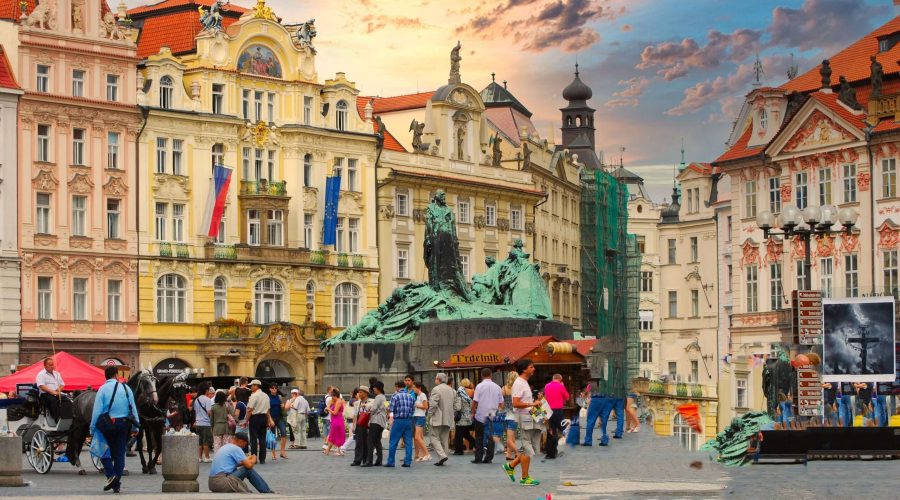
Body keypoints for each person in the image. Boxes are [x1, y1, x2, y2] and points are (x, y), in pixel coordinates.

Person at [90, 365, 140, 494]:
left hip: (107, 423)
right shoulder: (126, 388)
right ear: (116, 375)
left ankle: (111, 476)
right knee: (119, 452)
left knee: (102, 450)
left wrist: (92, 427)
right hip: (123, 424)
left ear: (106, 376)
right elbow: (133, 407)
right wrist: (137, 425)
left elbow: (97, 411)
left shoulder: (102, 389)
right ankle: (116, 481)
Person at [502, 359, 542, 486]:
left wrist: (538, 407)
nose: (534, 369)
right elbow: (516, 403)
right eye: (531, 367)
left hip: (530, 417)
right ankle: (524, 478)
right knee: (526, 448)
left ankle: (511, 466)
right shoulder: (519, 383)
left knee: (530, 448)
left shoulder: (523, 382)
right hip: (524, 418)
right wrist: (532, 403)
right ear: (524, 369)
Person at [208, 431, 274, 494]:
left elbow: (231, 465)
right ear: (241, 441)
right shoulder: (236, 448)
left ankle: (263, 490)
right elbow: (249, 465)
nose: (244, 446)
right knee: (248, 470)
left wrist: (246, 460)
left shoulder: (226, 447)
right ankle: (266, 491)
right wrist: (254, 459)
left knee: (238, 469)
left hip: (212, 484)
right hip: (222, 482)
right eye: (245, 444)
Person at [471, 367, 503, 464]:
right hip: (492, 414)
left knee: (479, 437)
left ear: (482, 375)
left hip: (480, 414)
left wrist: (473, 412)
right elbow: (501, 403)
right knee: (490, 436)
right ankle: (489, 457)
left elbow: (475, 401)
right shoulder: (497, 387)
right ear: (491, 375)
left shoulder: (479, 386)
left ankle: (478, 457)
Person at [428, 372, 456, 466]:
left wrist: (429, 414)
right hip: (448, 417)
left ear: (438, 379)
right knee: (444, 438)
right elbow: (456, 405)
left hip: (438, 417)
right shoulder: (451, 390)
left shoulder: (436, 389)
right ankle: (442, 456)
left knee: (434, 437)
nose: (435, 380)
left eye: (436, 379)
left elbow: (433, 404)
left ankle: (442, 455)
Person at [386, 380, 415, 467]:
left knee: (393, 442)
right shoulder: (411, 396)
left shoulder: (395, 396)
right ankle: (407, 461)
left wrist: (391, 419)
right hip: (408, 421)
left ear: (397, 387)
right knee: (408, 442)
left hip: (398, 421)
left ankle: (391, 462)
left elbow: (391, 409)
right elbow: (413, 410)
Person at [543, 374, 569, 459]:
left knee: (551, 431)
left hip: (549, 411)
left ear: (553, 378)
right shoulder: (560, 386)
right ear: (560, 380)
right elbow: (567, 397)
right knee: (563, 428)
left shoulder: (547, 386)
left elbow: (546, 397)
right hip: (558, 410)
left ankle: (550, 453)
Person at [246, 380, 270, 463]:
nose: (251, 387)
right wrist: (268, 420)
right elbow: (267, 410)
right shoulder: (266, 395)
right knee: (262, 439)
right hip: (264, 418)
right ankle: (262, 459)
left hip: (255, 418)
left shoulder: (254, 395)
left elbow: (250, 410)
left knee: (253, 439)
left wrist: (246, 420)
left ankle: (254, 458)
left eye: (252, 385)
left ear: (256, 386)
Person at [36, 357, 65, 423]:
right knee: (52, 400)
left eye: (53, 365)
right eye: (50, 365)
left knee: (66, 400)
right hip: (45, 395)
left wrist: (58, 390)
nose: (52, 366)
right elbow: (42, 386)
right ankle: (57, 418)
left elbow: (62, 385)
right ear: (45, 366)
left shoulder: (57, 374)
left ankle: (67, 417)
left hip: (57, 393)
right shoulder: (41, 374)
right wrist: (53, 392)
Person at [453, 378, 476, 455]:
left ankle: (459, 450)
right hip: (469, 415)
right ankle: (478, 446)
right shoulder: (472, 391)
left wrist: (455, 410)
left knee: (458, 434)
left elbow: (458, 403)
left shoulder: (460, 391)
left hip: (462, 415)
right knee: (466, 433)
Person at [366, 381, 387, 467]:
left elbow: (373, 409)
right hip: (382, 421)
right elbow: (386, 406)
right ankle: (379, 460)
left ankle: (369, 461)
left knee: (370, 441)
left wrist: (368, 409)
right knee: (377, 441)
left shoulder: (378, 397)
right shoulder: (384, 397)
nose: (373, 389)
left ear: (378, 388)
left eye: (374, 387)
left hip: (376, 420)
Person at [350, 385, 371, 466]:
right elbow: (355, 415)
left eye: (361, 392)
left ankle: (366, 460)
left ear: (366, 393)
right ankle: (357, 460)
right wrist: (354, 426)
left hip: (367, 424)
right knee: (358, 443)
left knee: (367, 443)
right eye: (359, 392)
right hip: (359, 424)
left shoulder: (371, 402)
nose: (359, 394)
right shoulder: (356, 403)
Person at [267, 385, 287, 460]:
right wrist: (269, 419)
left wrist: (283, 406)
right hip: (272, 418)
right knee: (272, 436)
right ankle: (273, 453)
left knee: (284, 433)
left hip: (280, 417)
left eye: (275, 388)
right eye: (272, 388)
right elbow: (267, 410)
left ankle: (282, 451)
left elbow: (283, 408)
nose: (274, 389)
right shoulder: (268, 397)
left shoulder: (279, 397)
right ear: (270, 389)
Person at [194, 386, 214, 462]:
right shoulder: (207, 400)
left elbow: (196, 412)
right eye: (208, 390)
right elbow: (209, 412)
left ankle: (199, 457)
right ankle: (207, 457)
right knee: (206, 441)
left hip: (198, 423)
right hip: (206, 423)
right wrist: (212, 413)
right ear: (206, 390)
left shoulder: (196, 399)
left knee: (200, 441)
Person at [502, 371, 518, 460]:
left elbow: (501, 403)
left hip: (505, 415)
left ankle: (508, 454)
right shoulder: (517, 389)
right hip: (514, 416)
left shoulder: (503, 388)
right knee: (510, 438)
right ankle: (517, 453)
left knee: (511, 437)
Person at [412, 382, 431, 462]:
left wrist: (416, 405)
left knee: (417, 437)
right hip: (416, 416)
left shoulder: (423, 395)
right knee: (420, 437)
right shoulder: (418, 396)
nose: (413, 389)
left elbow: (426, 407)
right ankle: (422, 454)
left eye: (414, 387)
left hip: (420, 417)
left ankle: (427, 454)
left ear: (418, 388)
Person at [324, 388, 346, 456]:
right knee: (334, 435)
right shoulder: (335, 401)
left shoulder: (339, 401)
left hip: (337, 420)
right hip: (335, 420)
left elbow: (335, 412)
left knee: (333, 435)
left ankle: (329, 450)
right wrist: (328, 408)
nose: (331, 398)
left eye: (332, 396)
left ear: (335, 395)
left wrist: (329, 409)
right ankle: (335, 450)